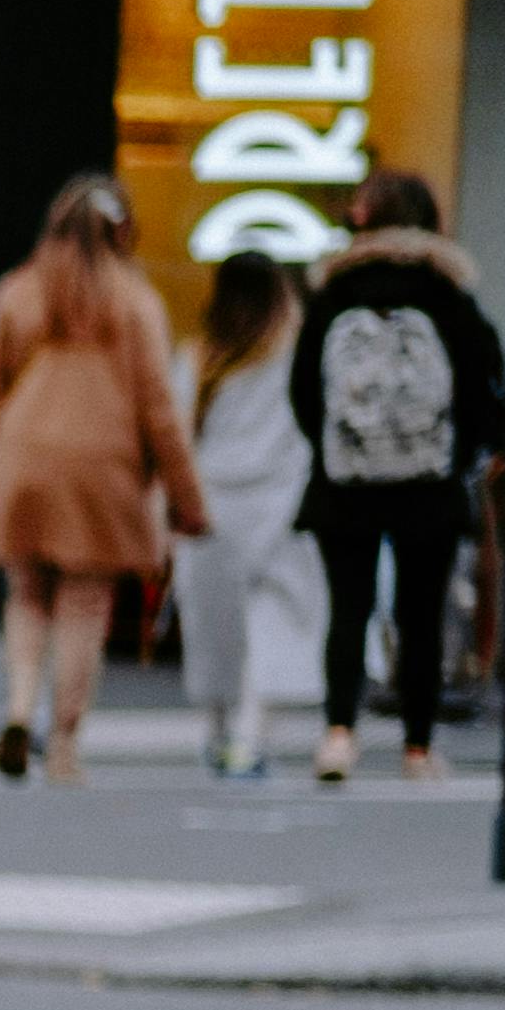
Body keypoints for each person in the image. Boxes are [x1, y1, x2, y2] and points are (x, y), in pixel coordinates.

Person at [0, 172, 208, 788]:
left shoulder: (18, 292)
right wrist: (188, 501)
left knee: (27, 593)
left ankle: (16, 707)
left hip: (22, 459)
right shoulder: (135, 302)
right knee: (85, 602)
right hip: (102, 467)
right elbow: (160, 413)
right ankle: (62, 741)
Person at [293, 170, 505, 784]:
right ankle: (417, 745)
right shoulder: (448, 293)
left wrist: (336, 446)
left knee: (348, 608)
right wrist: (459, 453)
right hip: (427, 486)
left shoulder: (334, 291)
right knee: (421, 614)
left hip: (345, 482)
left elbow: (304, 389)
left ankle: (339, 733)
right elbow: (482, 382)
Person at [170, 254, 322, 780]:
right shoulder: (295, 348)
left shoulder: (198, 357)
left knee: (214, 630)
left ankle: (216, 731)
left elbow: (177, 431)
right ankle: (250, 736)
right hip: (279, 503)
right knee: (274, 625)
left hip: (211, 507)